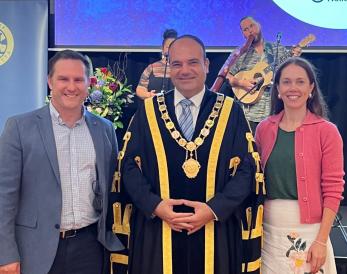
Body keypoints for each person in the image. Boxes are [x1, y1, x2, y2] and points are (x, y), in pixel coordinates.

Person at [119, 35, 259, 274]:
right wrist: (155, 206)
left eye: (192, 62)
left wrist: (214, 209)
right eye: (177, 64)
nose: (184, 70)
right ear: (168, 67)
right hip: (158, 233)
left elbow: (248, 170)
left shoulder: (231, 111)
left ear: (206, 65)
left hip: (215, 231)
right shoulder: (148, 112)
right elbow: (128, 166)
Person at [0, 50, 122, 274]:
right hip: (34, 250)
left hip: (90, 247)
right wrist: (5, 254)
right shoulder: (19, 127)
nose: (71, 87)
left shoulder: (105, 129)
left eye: (78, 79)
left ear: (89, 83)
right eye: (63, 79)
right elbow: (3, 196)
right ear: (49, 81)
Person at [255, 57, 345, 274]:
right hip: (268, 232)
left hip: (311, 232)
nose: (292, 88)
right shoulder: (263, 129)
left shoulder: (327, 131)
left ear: (311, 88)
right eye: (286, 82)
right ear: (277, 88)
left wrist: (321, 240)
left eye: (300, 81)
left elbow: (333, 189)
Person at [225, 16, 301, 133]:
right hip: (247, 115)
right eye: (245, 29)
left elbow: (290, 75)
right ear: (243, 34)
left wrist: (294, 58)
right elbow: (226, 75)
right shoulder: (239, 53)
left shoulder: (277, 49)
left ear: (259, 26)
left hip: (275, 111)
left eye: (252, 26)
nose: (250, 30)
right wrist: (240, 82)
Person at [136, 29, 178, 99]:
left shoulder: (183, 69)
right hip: (154, 107)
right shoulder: (152, 67)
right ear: (162, 48)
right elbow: (140, 89)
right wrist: (148, 95)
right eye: (168, 47)